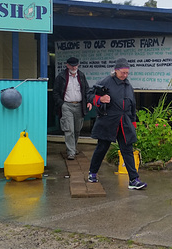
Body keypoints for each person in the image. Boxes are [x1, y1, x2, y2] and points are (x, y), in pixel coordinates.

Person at [87, 57, 147, 190]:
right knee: (102, 148)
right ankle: (92, 173)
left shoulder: (128, 85)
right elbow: (89, 95)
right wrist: (100, 99)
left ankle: (134, 179)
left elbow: (132, 105)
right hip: (108, 120)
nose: (125, 75)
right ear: (116, 70)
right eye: (122, 73)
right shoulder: (105, 82)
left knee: (127, 150)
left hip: (124, 122)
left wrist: (133, 123)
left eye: (127, 73)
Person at [53, 57, 92, 160]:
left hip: (79, 105)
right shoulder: (61, 77)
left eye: (76, 65)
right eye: (72, 65)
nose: (74, 67)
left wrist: (89, 101)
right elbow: (55, 92)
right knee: (69, 129)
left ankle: (73, 148)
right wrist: (62, 104)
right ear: (67, 65)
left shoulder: (81, 76)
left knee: (77, 129)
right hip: (67, 105)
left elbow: (86, 90)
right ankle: (71, 152)